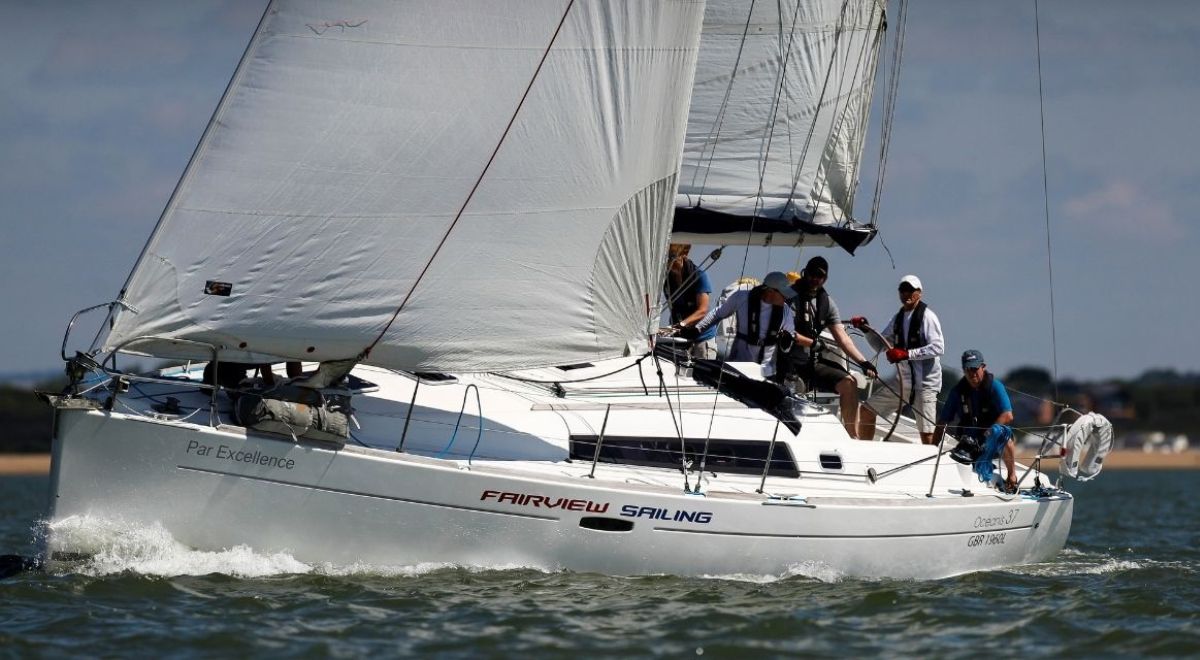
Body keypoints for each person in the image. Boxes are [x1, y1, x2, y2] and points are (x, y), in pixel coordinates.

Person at [786, 256, 877, 437]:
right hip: (787, 360)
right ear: (805, 273)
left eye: (820, 276)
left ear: (825, 279)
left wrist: (863, 362)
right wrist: (813, 343)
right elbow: (787, 332)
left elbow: (843, 338)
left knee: (849, 383)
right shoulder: (790, 297)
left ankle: (851, 436)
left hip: (811, 361)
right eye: (812, 274)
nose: (815, 279)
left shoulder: (826, 303)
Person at [854, 275, 945, 443]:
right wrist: (866, 329)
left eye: (910, 290)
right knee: (866, 411)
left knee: (926, 435)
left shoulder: (928, 317)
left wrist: (907, 354)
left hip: (925, 385)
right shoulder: (898, 318)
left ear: (919, 293)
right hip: (902, 383)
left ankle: (933, 459)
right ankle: (867, 452)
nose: (906, 294)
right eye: (902, 290)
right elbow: (880, 345)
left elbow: (938, 347)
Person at [681, 271, 797, 377]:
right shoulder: (742, 297)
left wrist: (786, 340)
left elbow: (789, 338)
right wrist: (697, 328)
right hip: (740, 361)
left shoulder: (785, 311)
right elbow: (717, 314)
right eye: (783, 294)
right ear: (770, 291)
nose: (785, 298)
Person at [933, 349, 1018, 493]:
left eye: (975, 368)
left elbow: (1008, 415)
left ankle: (1012, 477)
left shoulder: (995, 386)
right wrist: (932, 449)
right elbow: (942, 422)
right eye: (968, 369)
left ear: (983, 367)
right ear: (963, 370)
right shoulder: (958, 391)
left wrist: (988, 433)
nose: (972, 373)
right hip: (969, 442)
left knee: (1005, 436)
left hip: (992, 440)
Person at [662, 244, 717, 359]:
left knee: (703, 370)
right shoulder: (666, 279)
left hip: (702, 339)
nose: (668, 262)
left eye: (672, 257)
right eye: (666, 257)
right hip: (680, 338)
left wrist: (682, 324)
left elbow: (702, 310)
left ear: (684, 254)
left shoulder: (699, 276)